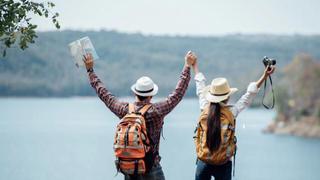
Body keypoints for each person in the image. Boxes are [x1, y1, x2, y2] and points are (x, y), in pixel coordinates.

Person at [83, 51, 197, 180]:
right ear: (151, 95)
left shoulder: (124, 110)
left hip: (129, 168)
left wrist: (90, 70)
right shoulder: (156, 111)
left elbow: (104, 94)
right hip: (151, 168)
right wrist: (187, 66)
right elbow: (178, 93)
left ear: (135, 92)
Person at [191, 59, 275, 180]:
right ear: (227, 97)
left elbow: (200, 87)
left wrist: (195, 66)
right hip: (223, 163)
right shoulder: (231, 113)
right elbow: (249, 96)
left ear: (211, 95)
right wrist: (265, 75)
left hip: (204, 160)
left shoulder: (205, 108)